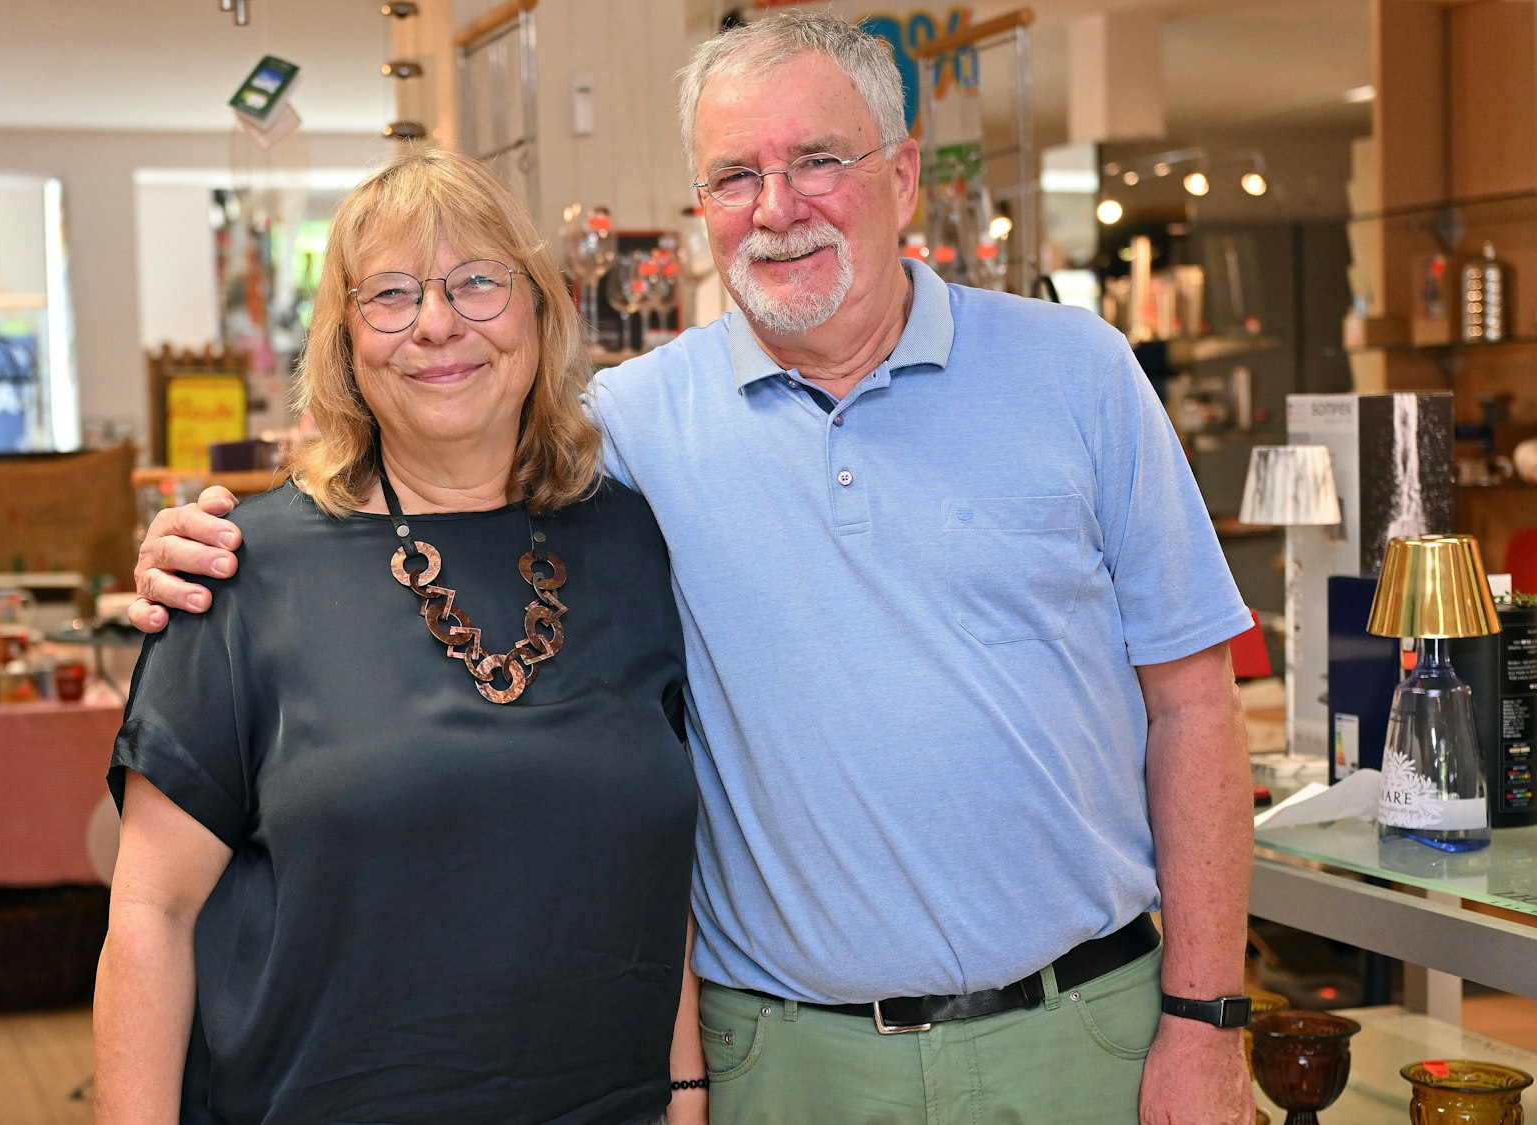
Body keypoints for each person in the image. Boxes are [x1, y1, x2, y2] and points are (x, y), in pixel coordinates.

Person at [130, 14, 1257, 1124]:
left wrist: (1208, 1018)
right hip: (782, 1064)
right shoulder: (625, 432)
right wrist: (216, 537)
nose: (776, 209)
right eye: (733, 176)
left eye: (817, 160)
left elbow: (1194, 703)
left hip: (1078, 1039)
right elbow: (436, 421)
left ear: (903, 173)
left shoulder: (1077, 374)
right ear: (701, 206)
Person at [96, 147, 703, 1125]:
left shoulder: (632, 543)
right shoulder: (238, 574)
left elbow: (659, 872)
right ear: (343, 345)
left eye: (476, 283)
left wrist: (685, 1092)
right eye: (387, 295)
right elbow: (149, 916)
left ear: (539, 313)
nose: (435, 324)